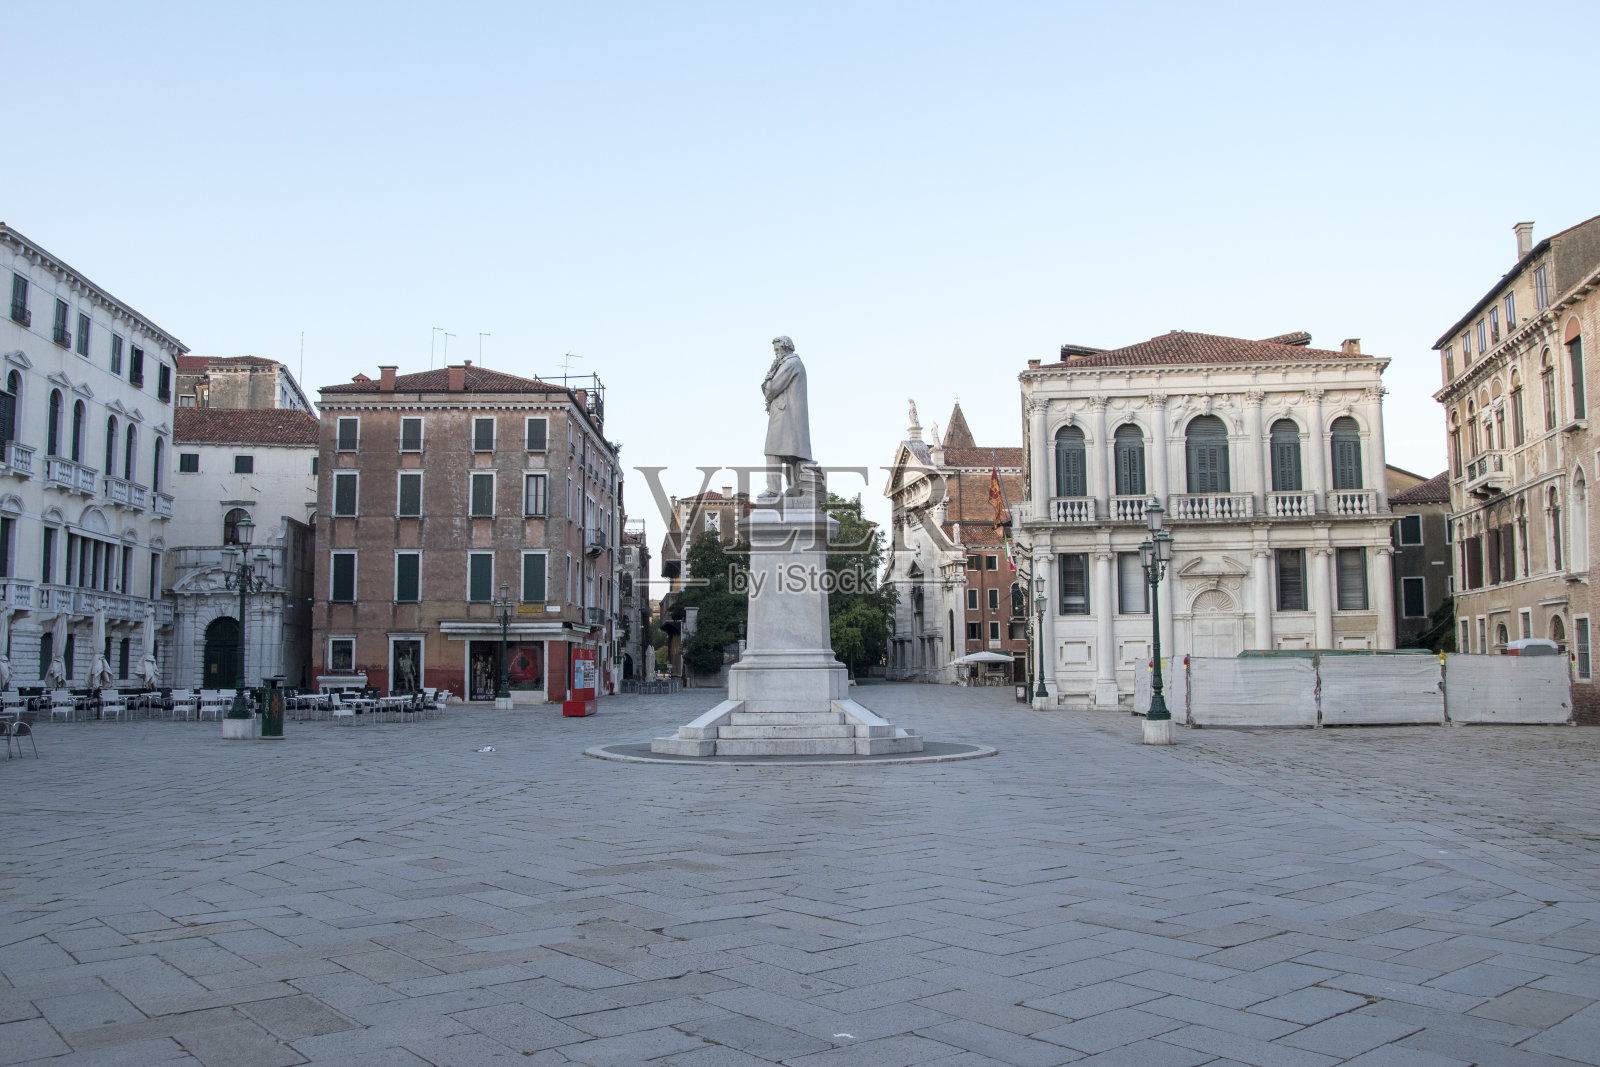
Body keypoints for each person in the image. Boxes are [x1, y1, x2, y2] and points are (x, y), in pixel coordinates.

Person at [761, 336, 814, 499]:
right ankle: (794, 489)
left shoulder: (790, 363)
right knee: (791, 452)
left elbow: (772, 389)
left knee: (773, 450)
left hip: (785, 414)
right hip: (790, 416)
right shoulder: (794, 363)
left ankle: (773, 489)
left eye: (778, 350)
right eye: (775, 350)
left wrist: (768, 379)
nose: (776, 353)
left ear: (787, 348)